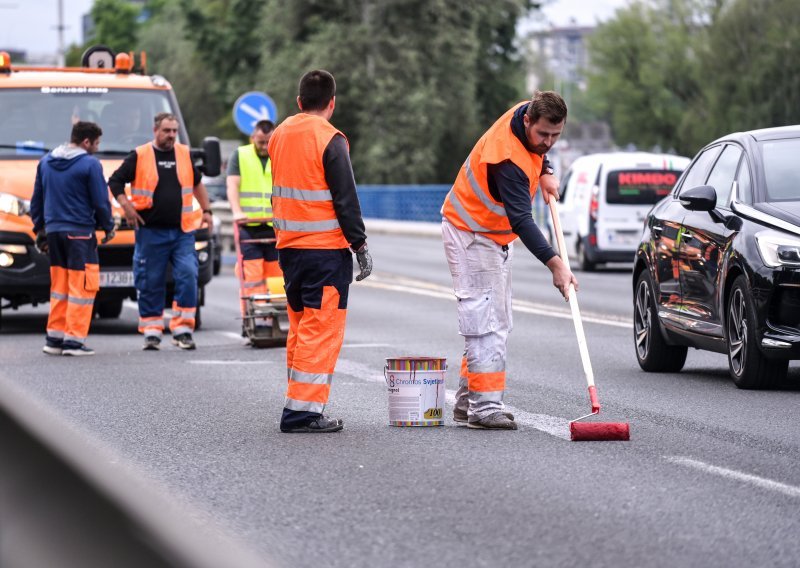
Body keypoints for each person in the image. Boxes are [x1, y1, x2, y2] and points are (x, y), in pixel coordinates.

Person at [440, 90, 578, 430]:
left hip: (491, 234)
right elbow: (522, 220)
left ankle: (465, 404)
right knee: (487, 322)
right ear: (528, 121)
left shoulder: (525, 112)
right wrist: (556, 263)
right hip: (472, 233)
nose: (547, 142)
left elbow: (536, 152)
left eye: (555, 136)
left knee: (489, 319)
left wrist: (544, 169)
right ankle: (484, 408)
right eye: (543, 135)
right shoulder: (507, 161)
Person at [268, 69, 372, 434]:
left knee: (300, 328)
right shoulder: (331, 139)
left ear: (299, 102)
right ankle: (302, 413)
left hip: (290, 250)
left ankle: (299, 402)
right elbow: (345, 197)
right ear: (332, 103)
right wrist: (359, 244)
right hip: (325, 252)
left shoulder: (278, 135)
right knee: (320, 330)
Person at [108, 112, 213, 351]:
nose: (171, 136)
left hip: (182, 231)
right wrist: (127, 208)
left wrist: (207, 211)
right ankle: (152, 330)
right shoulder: (140, 155)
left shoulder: (184, 154)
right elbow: (114, 182)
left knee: (188, 275)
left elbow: (197, 184)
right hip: (150, 232)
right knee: (150, 281)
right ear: (155, 130)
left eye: (175, 131)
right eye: (167, 131)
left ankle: (183, 330)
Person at [30, 121, 116, 356]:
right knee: (82, 288)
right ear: (86, 141)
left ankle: (54, 339)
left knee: (60, 286)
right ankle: (74, 342)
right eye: (96, 143)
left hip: (54, 233)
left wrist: (39, 228)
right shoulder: (90, 164)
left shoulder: (46, 162)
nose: (97, 148)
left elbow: (36, 200)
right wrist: (108, 225)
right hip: (79, 233)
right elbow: (100, 201)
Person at [225, 119, 283, 333]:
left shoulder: (280, 155)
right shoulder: (240, 155)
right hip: (249, 226)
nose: (265, 147)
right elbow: (232, 186)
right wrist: (237, 211)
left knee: (276, 277)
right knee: (252, 276)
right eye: (261, 142)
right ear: (253, 138)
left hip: (275, 226)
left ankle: (274, 319)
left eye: (269, 142)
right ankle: (253, 319)